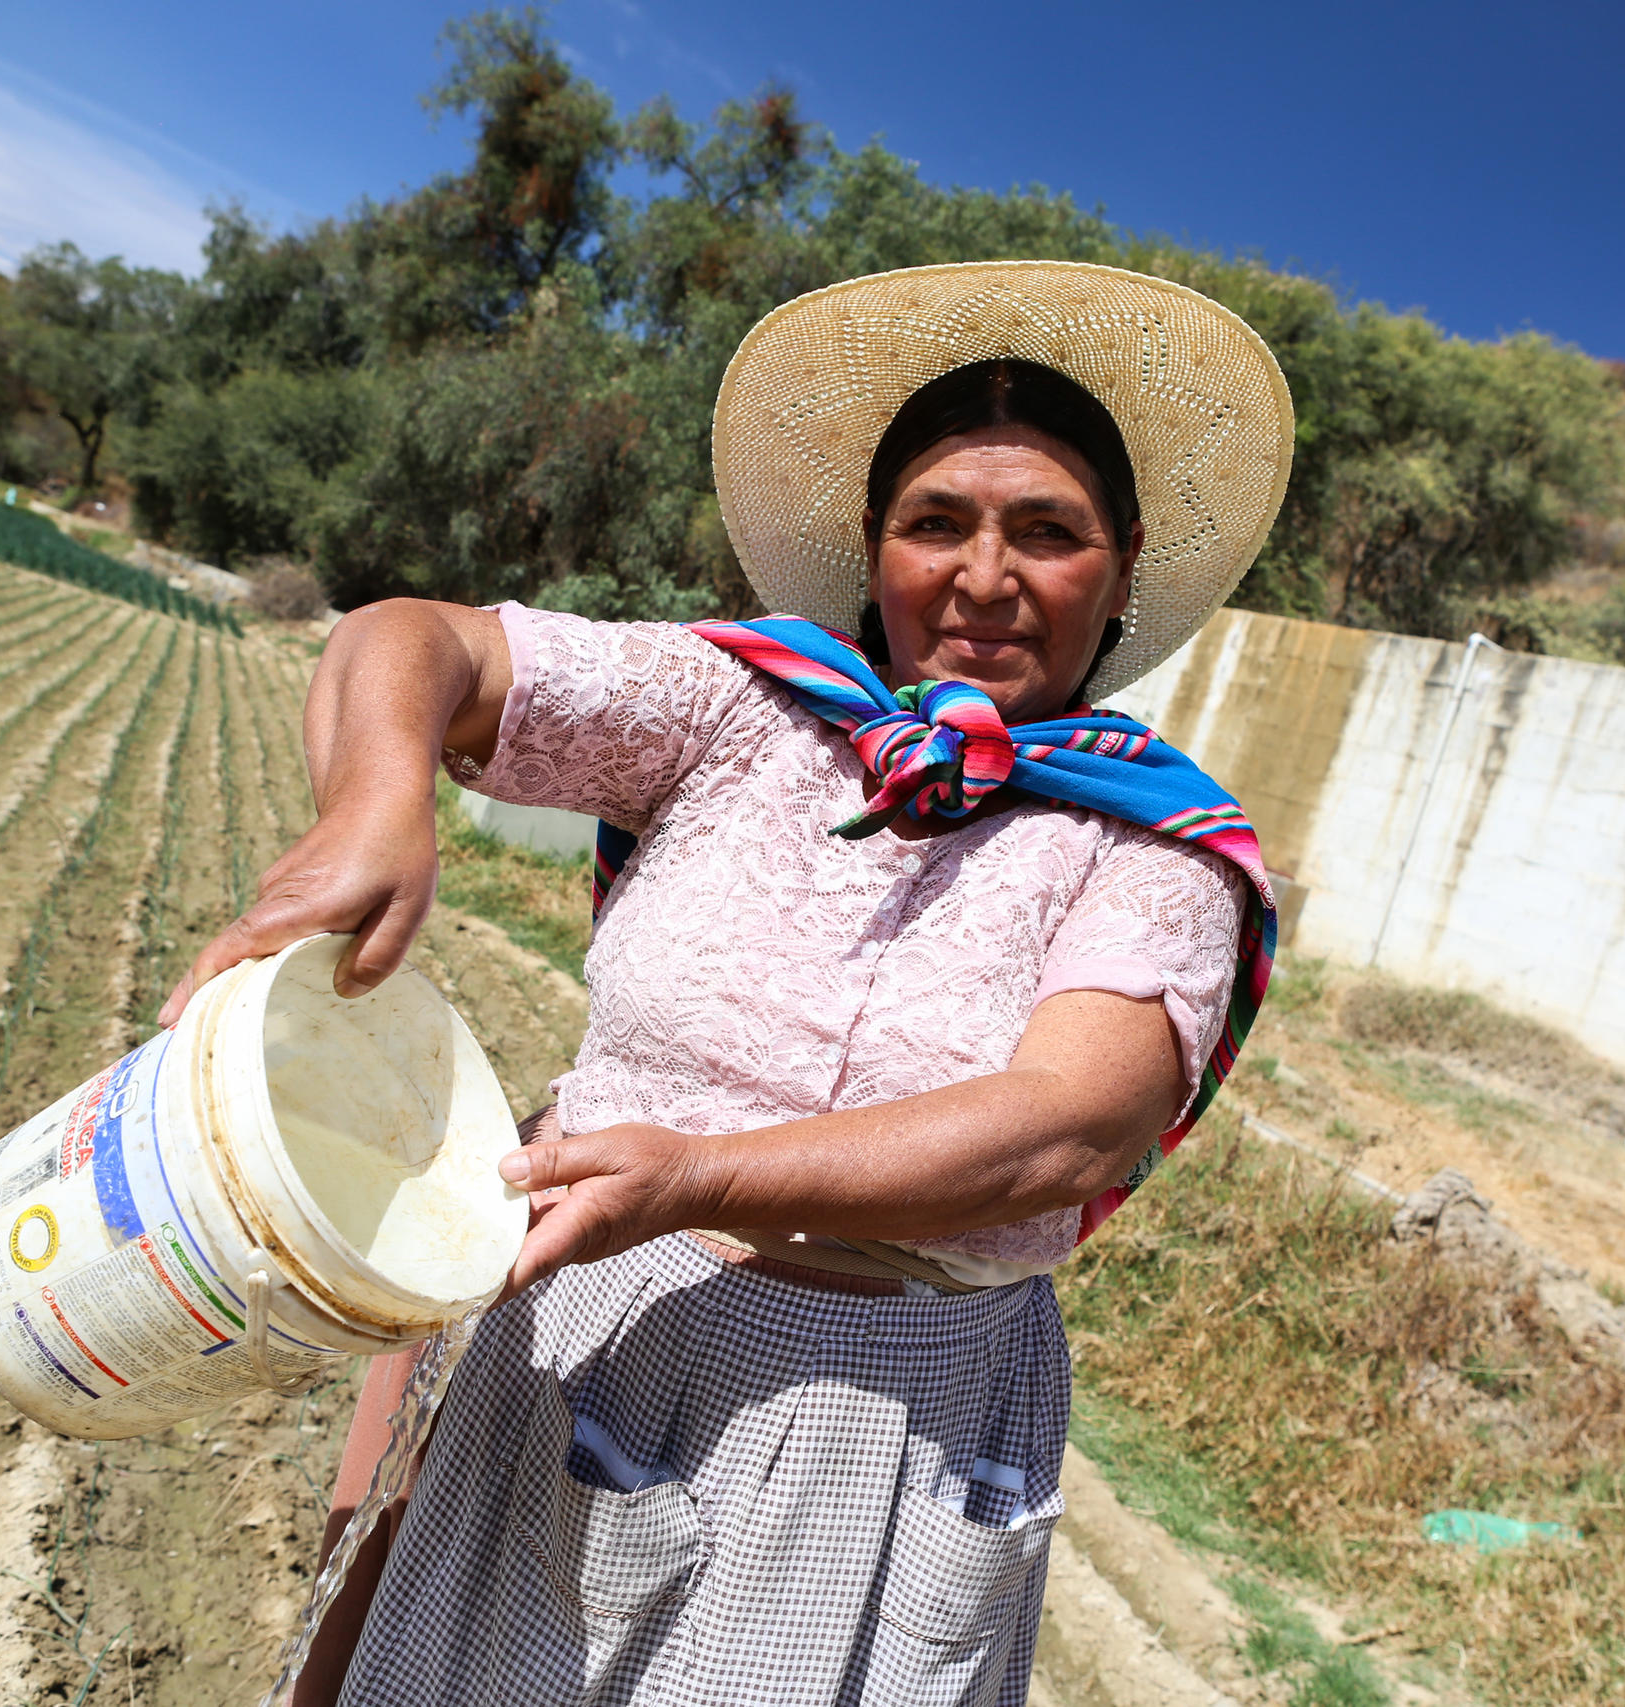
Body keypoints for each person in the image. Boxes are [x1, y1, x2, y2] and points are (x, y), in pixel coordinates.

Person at [163, 260, 1295, 1707]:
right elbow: (417, 639)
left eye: (1048, 533)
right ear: (876, 547)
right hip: (581, 1320)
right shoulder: (741, 710)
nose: (984, 578)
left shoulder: (1149, 842)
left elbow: (1067, 1129)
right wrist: (377, 801)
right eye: (934, 523)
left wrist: (702, 1175)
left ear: (1124, 563)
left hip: (873, 1418)